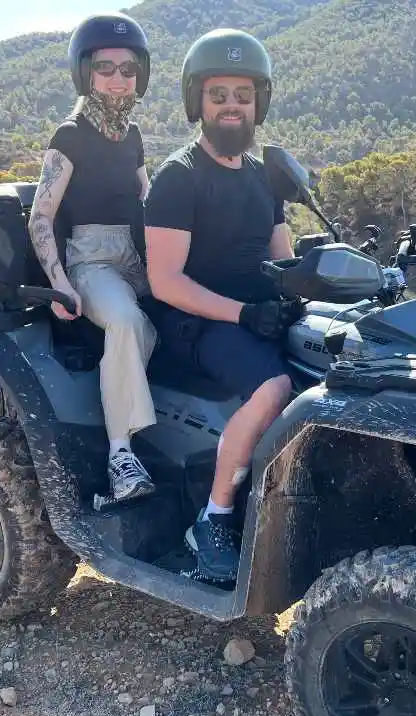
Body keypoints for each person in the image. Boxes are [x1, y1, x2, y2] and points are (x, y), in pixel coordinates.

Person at [143, 28, 301, 583]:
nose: (231, 107)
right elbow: (164, 281)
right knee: (275, 387)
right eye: (219, 96)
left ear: (259, 103)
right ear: (197, 102)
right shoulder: (178, 178)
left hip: (254, 313)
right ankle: (214, 518)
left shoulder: (264, 177)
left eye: (243, 95)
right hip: (197, 321)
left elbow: (285, 258)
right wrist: (242, 314)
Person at [28, 12, 158, 505]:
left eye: (128, 69)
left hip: (137, 254)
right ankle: (120, 455)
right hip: (91, 259)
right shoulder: (70, 136)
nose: (118, 79)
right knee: (126, 321)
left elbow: (146, 198)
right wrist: (60, 281)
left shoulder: (133, 136)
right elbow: (41, 217)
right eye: (106, 67)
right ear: (85, 72)